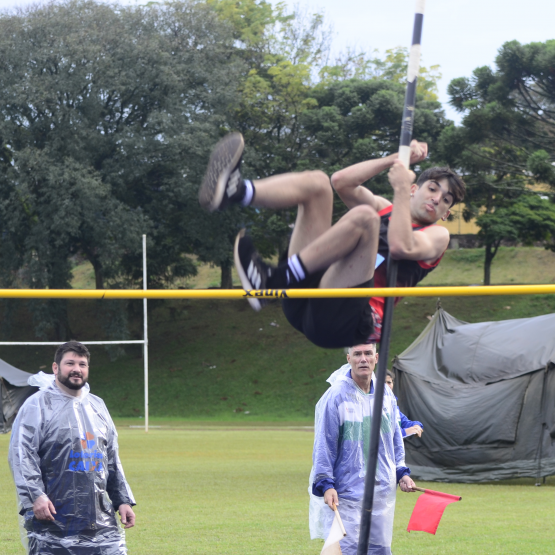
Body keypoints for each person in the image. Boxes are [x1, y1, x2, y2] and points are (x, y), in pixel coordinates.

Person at [198, 132, 464, 349]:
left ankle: (274, 280)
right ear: (417, 188)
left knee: (365, 218)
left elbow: (400, 246)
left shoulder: (437, 235)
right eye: (433, 188)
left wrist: (401, 189)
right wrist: (395, 159)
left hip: (344, 321)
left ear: (446, 213)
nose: (437, 199)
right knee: (319, 183)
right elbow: (342, 182)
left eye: (446, 200)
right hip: (311, 293)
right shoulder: (386, 207)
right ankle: (237, 192)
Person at [9, 341, 136, 554]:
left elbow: (111, 458)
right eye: (70, 363)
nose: (77, 369)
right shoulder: (37, 405)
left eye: (82, 364)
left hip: (98, 517)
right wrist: (35, 496)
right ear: (56, 368)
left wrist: (122, 500)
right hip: (52, 516)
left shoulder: (97, 406)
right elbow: (22, 455)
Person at [308, 343, 415, 554]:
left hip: (382, 493)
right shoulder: (336, 397)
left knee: (379, 550)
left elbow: (394, 437)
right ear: (349, 359)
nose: (363, 359)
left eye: (367, 353)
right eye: (357, 354)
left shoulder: (386, 397)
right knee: (348, 549)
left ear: (376, 358)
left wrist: (400, 471)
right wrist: (326, 483)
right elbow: (324, 445)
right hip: (348, 494)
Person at [384, 369, 423, 438]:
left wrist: (416, 426)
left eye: (389, 382)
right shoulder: (374, 406)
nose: (386, 385)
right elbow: (385, 435)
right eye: (383, 382)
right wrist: (405, 432)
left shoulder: (393, 405)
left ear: (393, 384)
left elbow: (404, 422)